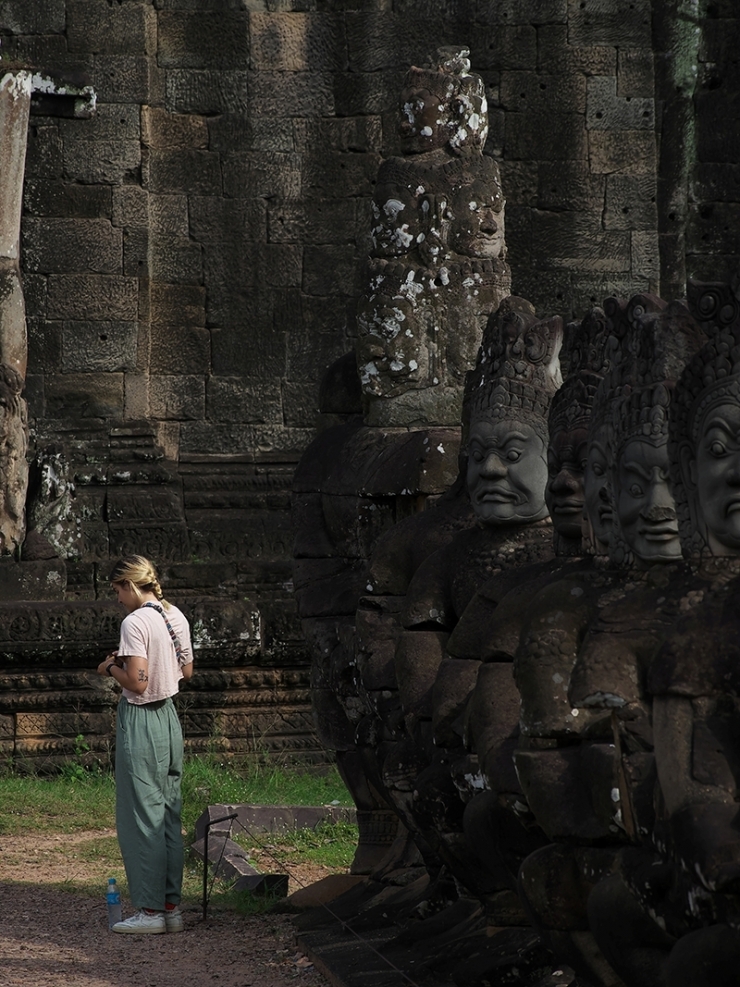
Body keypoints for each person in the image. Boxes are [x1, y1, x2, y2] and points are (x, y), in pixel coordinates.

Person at [97, 555, 194, 934]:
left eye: (118, 590)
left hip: (142, 718)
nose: (118, 598)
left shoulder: (135, 621)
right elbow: (186, 670)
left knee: (143, 818)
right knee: (168, 813)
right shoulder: (174, 616)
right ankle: (171, 908)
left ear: (131, 585)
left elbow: (136, 682)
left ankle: (150, 913)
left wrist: (109, 669)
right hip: (169, 718)